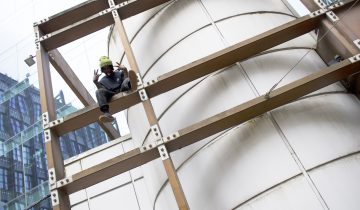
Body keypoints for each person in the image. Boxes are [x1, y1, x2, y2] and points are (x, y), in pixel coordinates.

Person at [93, 56, 137, 122]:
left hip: (123, 88)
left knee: (127, 80)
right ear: (102, 70)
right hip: (111, 94)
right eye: (104, 69)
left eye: (108, 68)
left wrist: (125, 70)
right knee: (98, 91)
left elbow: (125, 79)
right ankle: (107, 114)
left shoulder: (119, 73)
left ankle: (132, 84)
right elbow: (102, 92)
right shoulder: (102, 81)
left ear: (111, 67)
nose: (107, 70)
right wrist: (96, 82)